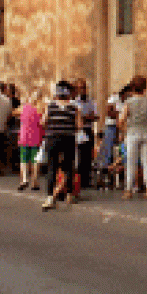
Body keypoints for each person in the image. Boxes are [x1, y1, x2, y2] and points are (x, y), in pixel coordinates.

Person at [42, 82, 81, 211]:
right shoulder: (74, 108)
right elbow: (79, 125)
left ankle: (49, 196)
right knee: (69, 165)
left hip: (52, 138)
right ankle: (69, 195)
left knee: (52, 167)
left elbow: (43, 121)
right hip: (68, 138)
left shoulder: (50, 106)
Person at [120, 75, 147, 200]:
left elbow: (121, 120)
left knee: (131, 162)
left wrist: (124, 130)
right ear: (144, 87)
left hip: (132, 133)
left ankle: (128, 190)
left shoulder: (128, 102)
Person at [74, 79, 98, 190]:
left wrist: (84, 117)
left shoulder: (91, 101)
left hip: (88, 130)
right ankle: (78, 180)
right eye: (80, 88)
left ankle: (86, 180)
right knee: (78, 155)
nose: (83, 90)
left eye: (84, 87)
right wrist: (85, 117)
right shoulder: (74, 101)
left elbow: (96, 116)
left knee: (88, 156)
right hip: (78, 131)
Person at [18, 91, 44, 191]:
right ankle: (34, 182)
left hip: (24, 136)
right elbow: (42, 123)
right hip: (36, 137)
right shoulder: (41, 109)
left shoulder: (24, 108)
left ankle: (24, 179)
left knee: (23, 159)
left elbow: (15, 113)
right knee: (35, 160)